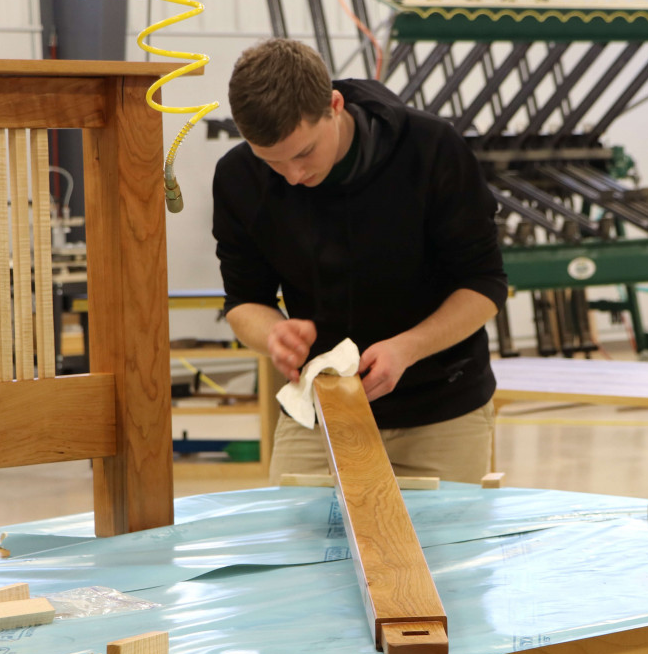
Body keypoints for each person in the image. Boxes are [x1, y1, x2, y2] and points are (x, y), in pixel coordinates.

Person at [213, 38, 507, 483]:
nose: (293, 177)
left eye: (304, 153)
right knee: (296, 551)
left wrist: (406, 348)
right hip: (317, 407)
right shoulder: (238, 176)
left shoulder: (430, 149)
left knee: (438, 552)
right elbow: (243, 301)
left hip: (440, 409)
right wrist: (275, 334)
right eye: (271, 161)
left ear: (334, 105)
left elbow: (485, 286)